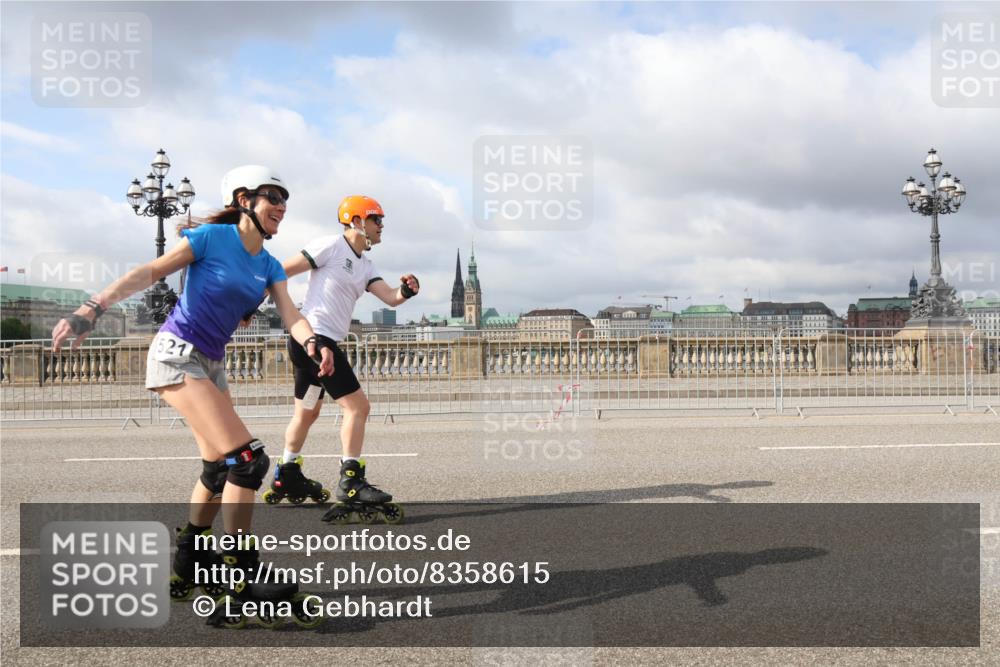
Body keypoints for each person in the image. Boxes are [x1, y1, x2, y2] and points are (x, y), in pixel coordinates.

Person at [51, 165, 333, 628]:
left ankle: (190, 560)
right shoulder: (211, 239)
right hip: (176, 353)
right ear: (244, 200)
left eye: (285, 199)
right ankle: (243, 577)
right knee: (248, 461)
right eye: (272, 197)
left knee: (219, 469)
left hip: (212, 365)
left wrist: (311, 343)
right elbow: (151, 271)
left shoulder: (269, 264)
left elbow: (291, 313)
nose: (281, 206)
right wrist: (93, 307)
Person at [263, 195, 418, 525]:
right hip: (315, 341)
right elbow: (279, 271)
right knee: (358, 408)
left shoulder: (365, 264)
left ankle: (287, 470)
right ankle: (351, 482)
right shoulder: (331, 245)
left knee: (307, 411)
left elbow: (390, 299)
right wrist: (255, 303)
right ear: (359, 221)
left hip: (314, 343)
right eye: (378, 220)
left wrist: (407, 291)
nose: (382, 227)